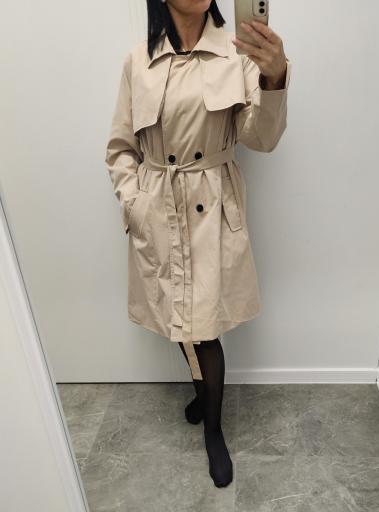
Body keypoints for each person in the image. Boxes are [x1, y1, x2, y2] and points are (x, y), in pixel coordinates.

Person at [105, 0, 291, 487]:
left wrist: (273, 79)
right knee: (180, 320)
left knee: (204, 328)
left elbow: (262, 138)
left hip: (211, 210)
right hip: (159, 210)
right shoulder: (139, 61)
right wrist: (134, 203)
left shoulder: (236, 53)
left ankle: (214, 430)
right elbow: (120, 148)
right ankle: (201, 396)